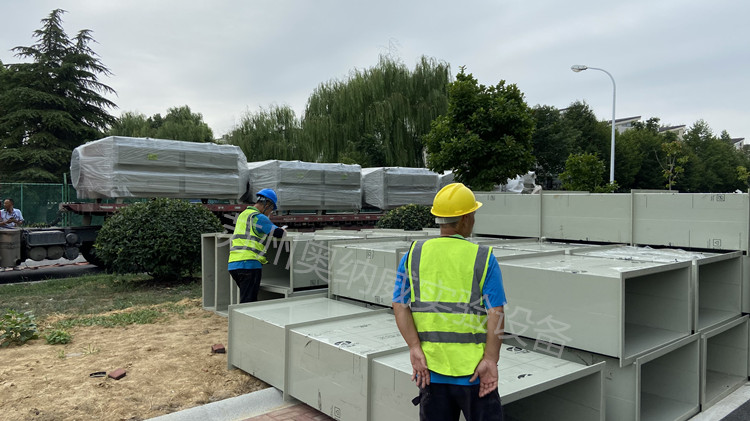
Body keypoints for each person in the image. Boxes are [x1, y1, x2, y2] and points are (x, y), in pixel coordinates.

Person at [392, 183, 506, 421]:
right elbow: (496, 312)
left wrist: (414, 347)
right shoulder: (483, 257)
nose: (474, 220)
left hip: (431, 371)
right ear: (465, 219)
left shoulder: (414, 254)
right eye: (473, 214)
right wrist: (490, 359)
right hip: (475, 373)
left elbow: (400, 305)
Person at [228, 188, 286, 303]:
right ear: (267, 205)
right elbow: (278, 233)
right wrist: (283, 230)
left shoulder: (243, 215)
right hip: (249, 265)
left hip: (234, 264)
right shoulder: (258, 217)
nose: (270, 213)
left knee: (247, 298)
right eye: (271, 210)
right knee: (248, 302)